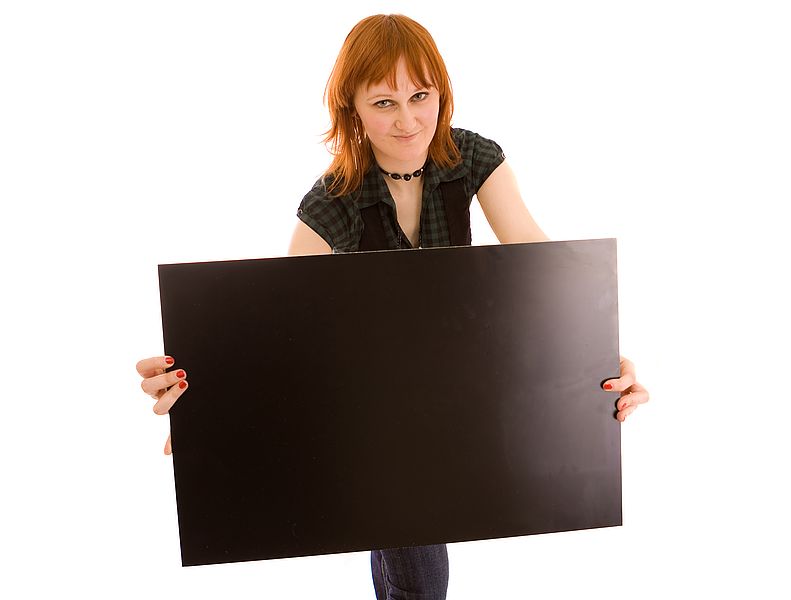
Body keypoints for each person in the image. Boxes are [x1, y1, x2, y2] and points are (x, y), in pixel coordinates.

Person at [136, 13, 650, 600]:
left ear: (441, 93)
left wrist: (603, 358)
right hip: (378, 416)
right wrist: (207, 409)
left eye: (420, 95)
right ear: (351, 107)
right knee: (422, 574)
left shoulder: (474, 160)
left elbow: (545, 272)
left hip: (461, 398)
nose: (408, 120)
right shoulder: (333, 202)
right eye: (383, 103)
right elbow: (272, 329)